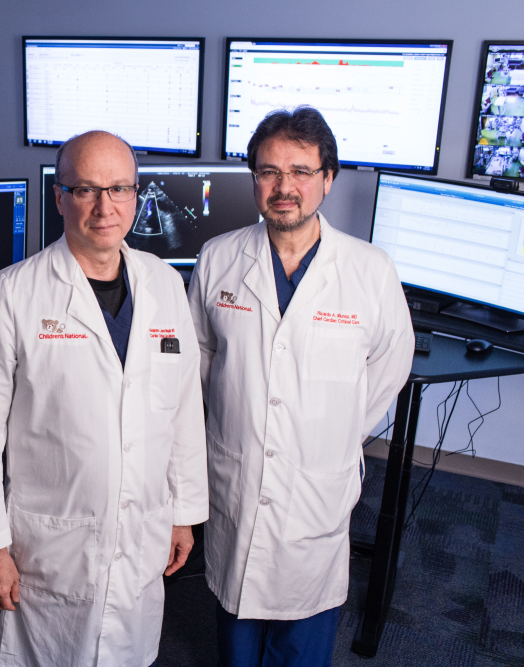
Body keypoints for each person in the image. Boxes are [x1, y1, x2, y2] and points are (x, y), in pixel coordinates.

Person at [0, 130, 209, 667]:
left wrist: (183, 513)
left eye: (119, 189)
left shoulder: (164, 283)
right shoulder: (12, 295)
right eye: (86, 190)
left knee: (130, 651)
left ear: (136, 196)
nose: (104, 207)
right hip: (52, 545)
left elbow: (183, 408)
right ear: (59, 195)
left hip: (142, 528)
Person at [187, 107, 414, 666]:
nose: (284, 187)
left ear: (328, 179)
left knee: (302, 635)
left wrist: (335, 433)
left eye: (301, 171)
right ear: (253, 179)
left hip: (316, 484)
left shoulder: (369, 270)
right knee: (236, 631)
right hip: (235, 472)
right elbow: (199, 356)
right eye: (269, 171)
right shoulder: (219, 258)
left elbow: (390, 362)